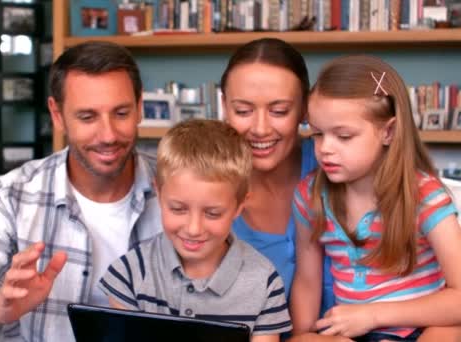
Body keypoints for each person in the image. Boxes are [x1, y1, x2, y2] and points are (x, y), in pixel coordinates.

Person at [0, 41, 162, 341]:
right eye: (87, 117)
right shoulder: (13, 195)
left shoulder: (180, 192)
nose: (108, 135)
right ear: (57, 116)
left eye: (121, 113)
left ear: (139, 107)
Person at [292, 55, 461, 341]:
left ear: (389, 132)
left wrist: (373, 315)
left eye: (343, 136)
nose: (325, 149)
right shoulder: (310, 195)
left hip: (421, 325)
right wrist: (304, 335)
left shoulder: (425, 196)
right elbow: (307, 283)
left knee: (448, 332)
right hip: (352, 331)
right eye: (317, 134)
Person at [99, 119, 292, 341]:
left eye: (212, 213)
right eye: (178, 209)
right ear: (158, 193)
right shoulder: (129, 274)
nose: (193, 228)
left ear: (239, 206)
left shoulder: (264, 282)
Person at [220, 38, 335, 313]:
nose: (260, 129)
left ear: (305, 108)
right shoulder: (209, 190)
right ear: (224, 106)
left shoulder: (340, 165)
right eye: (243, 111)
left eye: (279, 111)